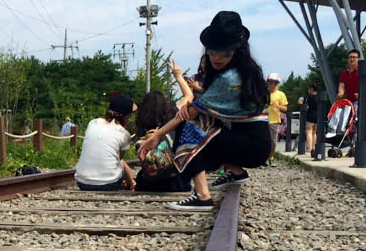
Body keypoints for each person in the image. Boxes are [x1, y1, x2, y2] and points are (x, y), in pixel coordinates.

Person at [138, 11, 271, 212]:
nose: (217, 58)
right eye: (212, 51)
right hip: (255, 144)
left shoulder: (229, 78)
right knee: (204, 123)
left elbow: (189, 114)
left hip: (251, 147)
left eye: (225, 53)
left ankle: (202, 196)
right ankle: (236, 172)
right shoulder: (246, 72)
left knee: (189, 127)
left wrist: (157, 135)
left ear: (237, 51)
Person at [74, 94, 137, 190]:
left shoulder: (93, 123)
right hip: (109, 184)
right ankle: (131, 183)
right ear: (126, 116)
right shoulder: (124, 134)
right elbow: (120, 159)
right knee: (119, 162)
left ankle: (131, 182)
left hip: (82, 183)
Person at [266, 73, 288, 166]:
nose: (272, 84)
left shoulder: (280, 94)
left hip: (274, 120)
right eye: (271, 82)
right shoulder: (263, 92)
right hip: (263, 120)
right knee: (263, 140)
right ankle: (263, 158)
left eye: (275, 83)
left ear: (277, 84)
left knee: (273, 141)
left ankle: (271, 157)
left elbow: (285, 109)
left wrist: (277, 106)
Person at [302, 83, 320, 158]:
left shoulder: (308, 97)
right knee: (314, 133)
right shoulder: (319, 97)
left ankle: (309, 148)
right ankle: (314, 148)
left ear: (311, 89)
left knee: (309, 132)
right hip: (318, 116)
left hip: (310, 115)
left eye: (308, 89)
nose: (308, 90)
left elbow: (301, 102)